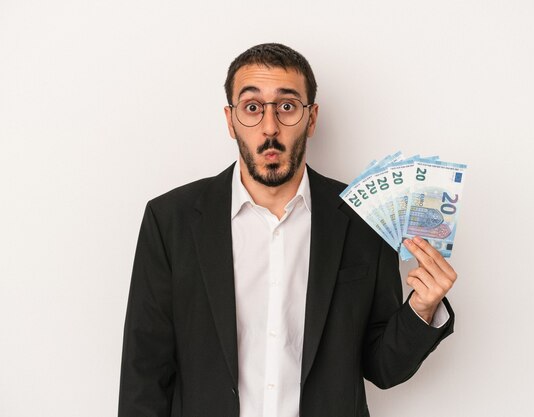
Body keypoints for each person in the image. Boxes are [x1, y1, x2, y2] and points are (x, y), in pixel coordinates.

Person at [118, 43, 457, 417]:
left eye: (287, 106)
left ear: (311, 119)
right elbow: (144, 372)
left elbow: (382, 367)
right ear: (230, 121)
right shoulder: (170, 220)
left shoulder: (363, 220)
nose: (269, 126)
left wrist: (422, 310)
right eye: (252, 107)